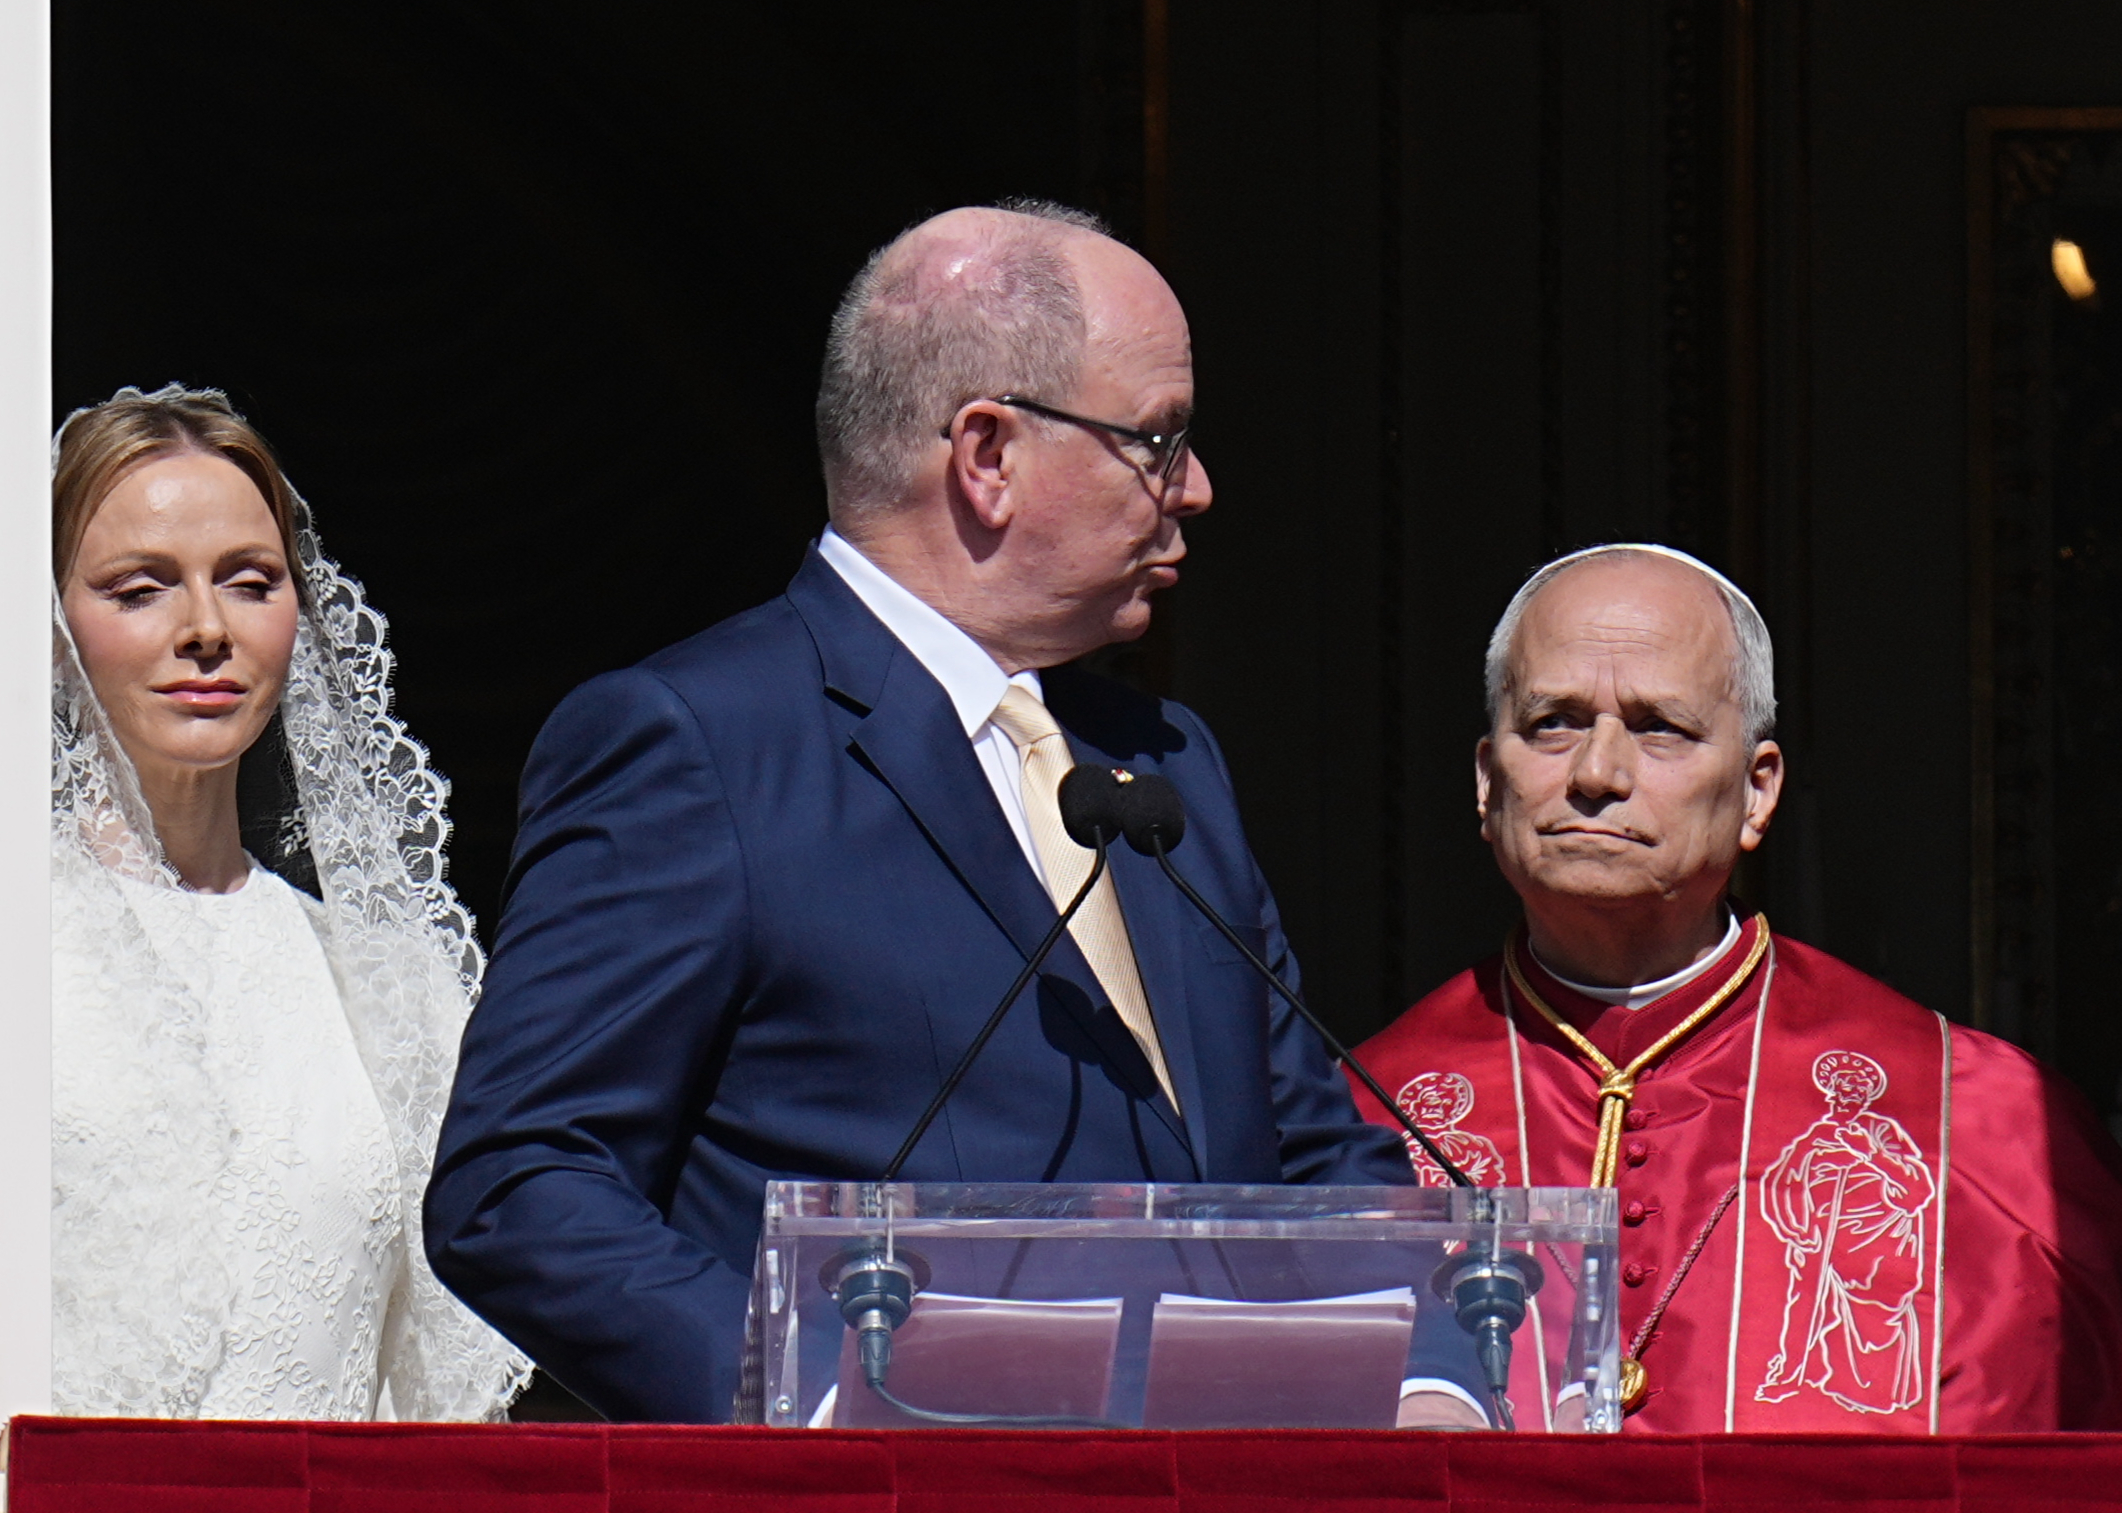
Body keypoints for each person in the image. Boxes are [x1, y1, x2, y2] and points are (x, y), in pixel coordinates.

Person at [425, 201, 1412, 1425]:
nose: (1197, 488)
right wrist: (819, 1400)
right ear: (987, 455)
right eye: (1158, 441)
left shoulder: (1163, 763)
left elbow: (1310, 1149)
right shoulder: (699, 744)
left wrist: (1425, 1371)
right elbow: (521, 1183)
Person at [1350, 544, 2122, 1433]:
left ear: (1756, 791)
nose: (1596, 774)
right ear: (1484, 779)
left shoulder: (1988, 1130)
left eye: (1660, 726)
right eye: (1553, 722)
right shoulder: (1354, 1123)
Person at [51, 386, 527, 1419]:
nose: (206, 628)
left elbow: (432, 1394)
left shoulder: (384, 989)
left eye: (249, 582)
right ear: (50, 627)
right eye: (140, 589)